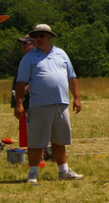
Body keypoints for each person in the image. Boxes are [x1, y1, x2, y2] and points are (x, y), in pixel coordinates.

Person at [14, 24, 82, 184]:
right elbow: (20, 82)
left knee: (60, 140)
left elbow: (72, 77)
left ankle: (63, 171)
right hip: (39, 104)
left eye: (41, 36)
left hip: (61, 103)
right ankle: (33, 173)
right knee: (36, 141)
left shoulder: (61, 54)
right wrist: (19, 103)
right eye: (35, 36)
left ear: (50, 37)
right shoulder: (29, 58)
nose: (38, 39)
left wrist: (77, 97)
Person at [11, 35, 36, 149]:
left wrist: (21, 92)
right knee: (25, 129)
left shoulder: (36, 59)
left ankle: (39, 154)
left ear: (34, 44)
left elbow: (38, 80)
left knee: (33, 129)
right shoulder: (26, 59)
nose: (23, 46)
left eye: (26, 43)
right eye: (22, 43)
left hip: (32, 102)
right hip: (24, 101)